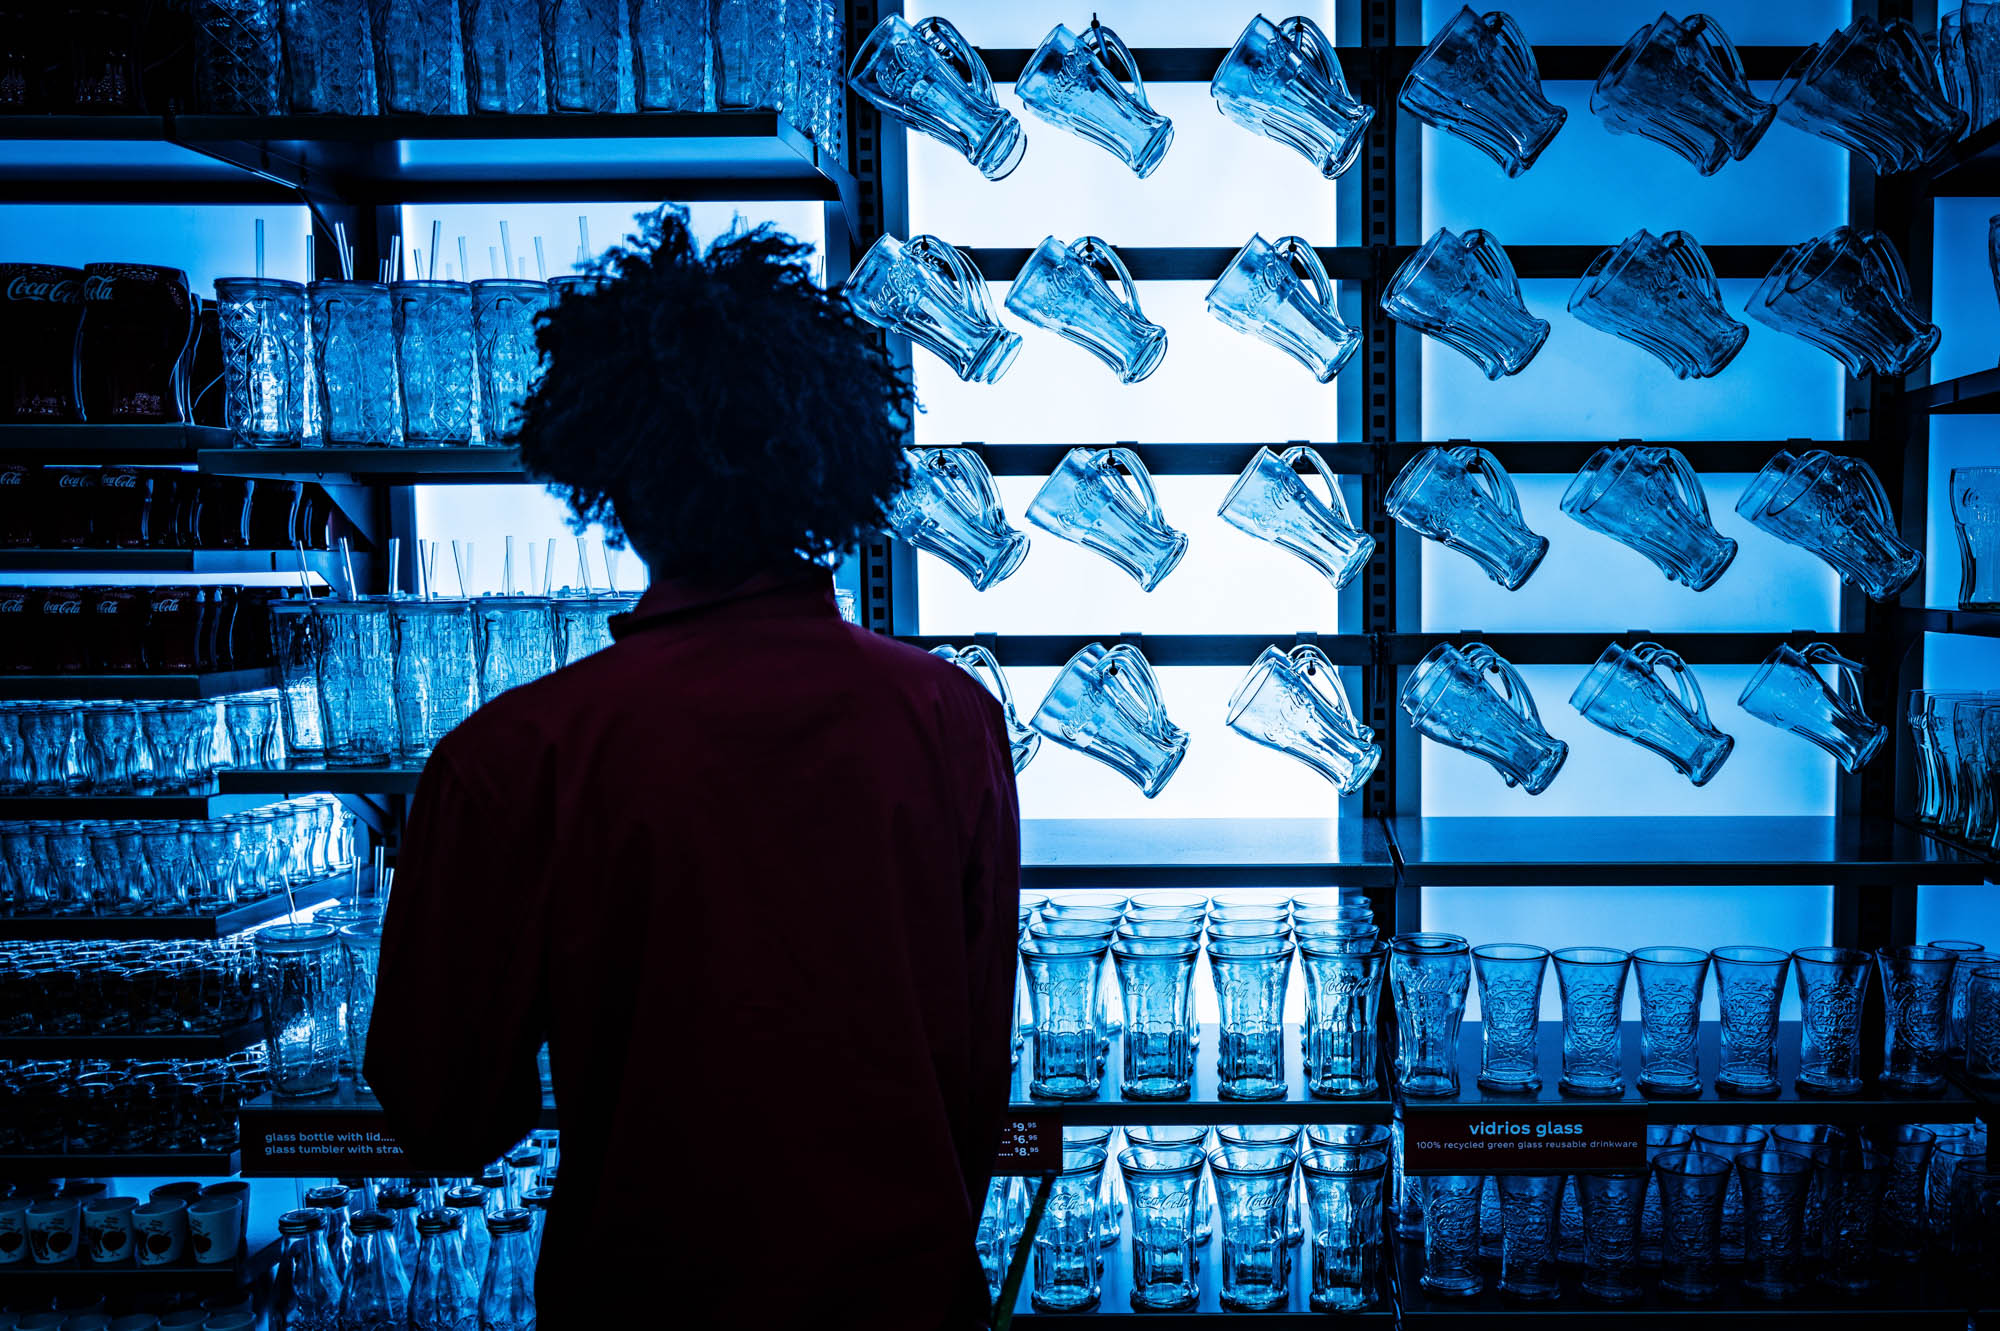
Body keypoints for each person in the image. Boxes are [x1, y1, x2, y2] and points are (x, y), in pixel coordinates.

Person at [366, 206, 1022, 1329]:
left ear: (608, 475)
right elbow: (968, 1082)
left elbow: (440, 1111)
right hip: (906, 1300)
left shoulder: (513, 756)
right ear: (835, 462)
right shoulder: (948, 717)